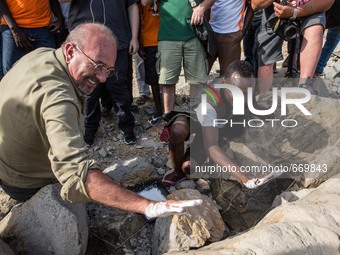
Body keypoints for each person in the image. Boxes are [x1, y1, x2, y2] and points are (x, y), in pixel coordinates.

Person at [0, 23, 201, 217]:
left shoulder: (42, 55)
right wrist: (148, 206)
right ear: (70, 51)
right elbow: (77, 173)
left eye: (109, 70)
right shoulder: (58, 98)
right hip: (25, 183)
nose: (103, 78)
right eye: (98, 65)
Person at [162, 60, 276, 189]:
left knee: (189, 166)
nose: (241, 98)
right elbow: (211, 145)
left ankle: (198, 152)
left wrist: (258, 108)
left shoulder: (244, 86)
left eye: (245, 93)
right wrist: (244, 177)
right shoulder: (208, 103)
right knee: (178, 131)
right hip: (198, 120)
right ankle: (177, 172)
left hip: (219, 123)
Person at [68, 0, 139, 146]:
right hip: (85, 45)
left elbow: (132, 6)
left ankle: (127, 126)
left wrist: (134, 37)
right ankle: (89, 128)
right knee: (89, 89)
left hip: (118, 40)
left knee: (119, 84)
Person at [141, 0, 215, 115]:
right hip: (168, 37)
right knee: (168, 82)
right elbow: (145, 2)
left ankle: (198, 122)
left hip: (194, 36)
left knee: (198, 82)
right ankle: (169, 120)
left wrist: (202, 7)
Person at [252, 0, 335, 93]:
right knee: (266, 55)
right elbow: (256, 5)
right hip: (276, 11)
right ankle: (263, 95)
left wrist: (294, 12)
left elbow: (327, 2)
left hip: (310, 8)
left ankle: (305, 85)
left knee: (315, 27)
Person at [0, 0, 64, 74]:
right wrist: (15, 30)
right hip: (13, 28)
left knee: (47, 71)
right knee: (12, 73)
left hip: (43, 27)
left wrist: (60, 18)